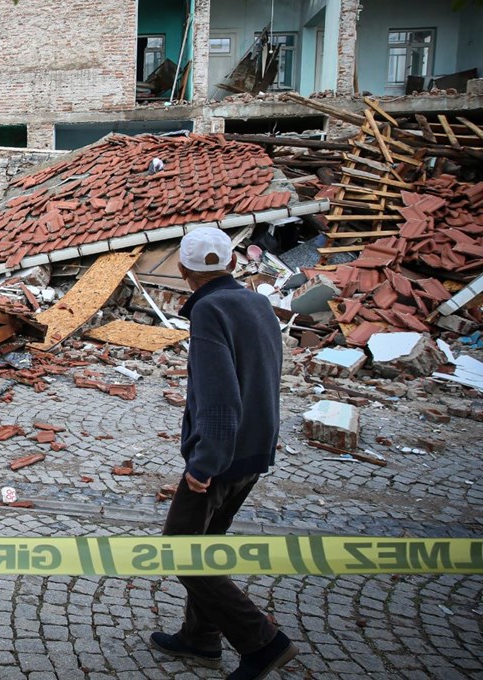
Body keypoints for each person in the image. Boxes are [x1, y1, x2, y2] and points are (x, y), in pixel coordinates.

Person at [149, 227, 297, 680]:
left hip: (223, 456)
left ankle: (262, 642)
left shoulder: (210, 311)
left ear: (182, 269)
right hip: (255, 449)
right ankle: (200, 638)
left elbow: (217, 395)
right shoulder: (257, 302)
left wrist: (204, 462)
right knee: (208, 544)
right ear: (232, 264)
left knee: (182, 549)